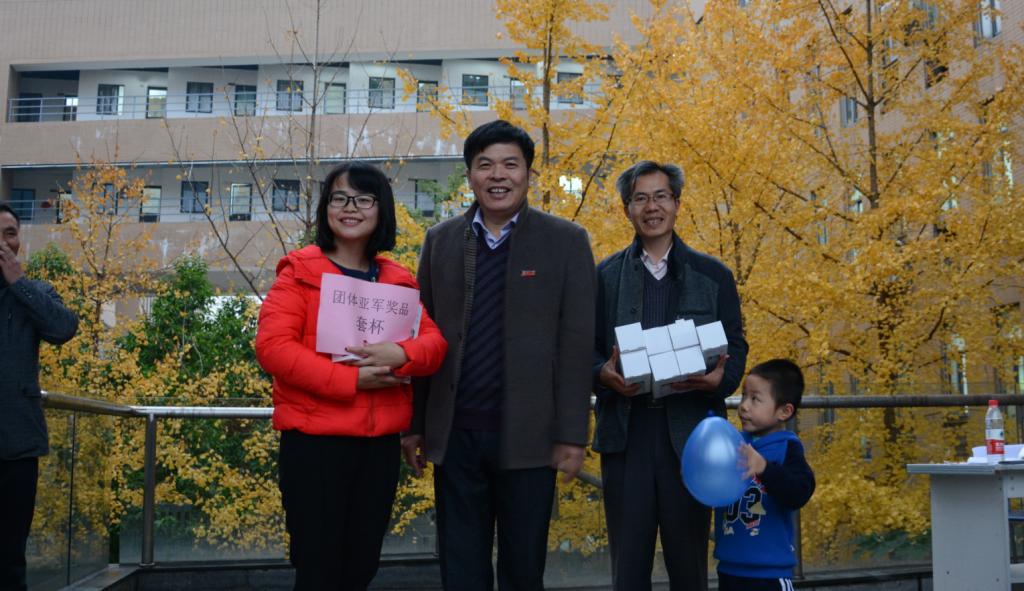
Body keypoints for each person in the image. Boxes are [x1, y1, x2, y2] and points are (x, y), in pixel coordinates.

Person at [403, 120, 596, 590]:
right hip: (456, 434)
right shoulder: (440, 240)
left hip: (531, 437)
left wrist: (573, 436)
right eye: (485, 165)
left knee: (523, 569)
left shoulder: (566, 241)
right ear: (470, 175)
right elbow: (422, 336)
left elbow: (576, 346)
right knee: (460, 569)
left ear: (528, 173)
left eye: (511, 164)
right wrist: (414, 424)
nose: (498, 175)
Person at [254, 162, 447, 590]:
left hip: (378, 448)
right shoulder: (299, 273)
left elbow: (434, 346)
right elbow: (273, 347)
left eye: (363, 199)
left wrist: (402, 353)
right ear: (326, 208)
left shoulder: (397, 280)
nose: (350, 208)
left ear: (382, 210)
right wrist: (350, 381)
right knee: (318, 569)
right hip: (315, 446)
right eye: (339, 198)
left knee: (361, 566)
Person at [593, 160, 748, 590]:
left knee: (689, 566)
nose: (652, 207)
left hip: (692, 437)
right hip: (627, 435)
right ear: (627, 209)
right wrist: (601, 374)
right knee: (628, 570)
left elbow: (736, 347)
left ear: (677, 203)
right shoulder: (604, 277)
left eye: (661, 196)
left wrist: (721, 381)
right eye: (640, 198)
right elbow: (583, 350)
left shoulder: (713, 275)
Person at [0, 203, 79, 591]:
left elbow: (63, 328)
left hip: (17, 445)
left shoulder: (35, 292)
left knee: (10, 557)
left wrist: (18, 283)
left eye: (10, 233)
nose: (3, 243)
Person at [714, 359, 815, 591]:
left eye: (755, 399)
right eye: (743, 396)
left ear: (784, 411)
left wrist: (765, 469)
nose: (743, 406)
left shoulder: (787, 448)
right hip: (729, 569)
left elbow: (800, 492)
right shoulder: (733, 445)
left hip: (770, 575)